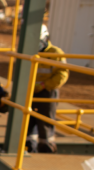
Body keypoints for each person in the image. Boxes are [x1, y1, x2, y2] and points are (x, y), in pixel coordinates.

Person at [26, 24, 69, 153]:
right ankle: (29, 147)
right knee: (28, 120)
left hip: (47, 92)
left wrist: (44, 85)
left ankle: (46, 150)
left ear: (45, 38)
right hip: (30, 92)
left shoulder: (55, 53)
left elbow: (62, 74)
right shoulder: (29, 52)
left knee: (45, 122)